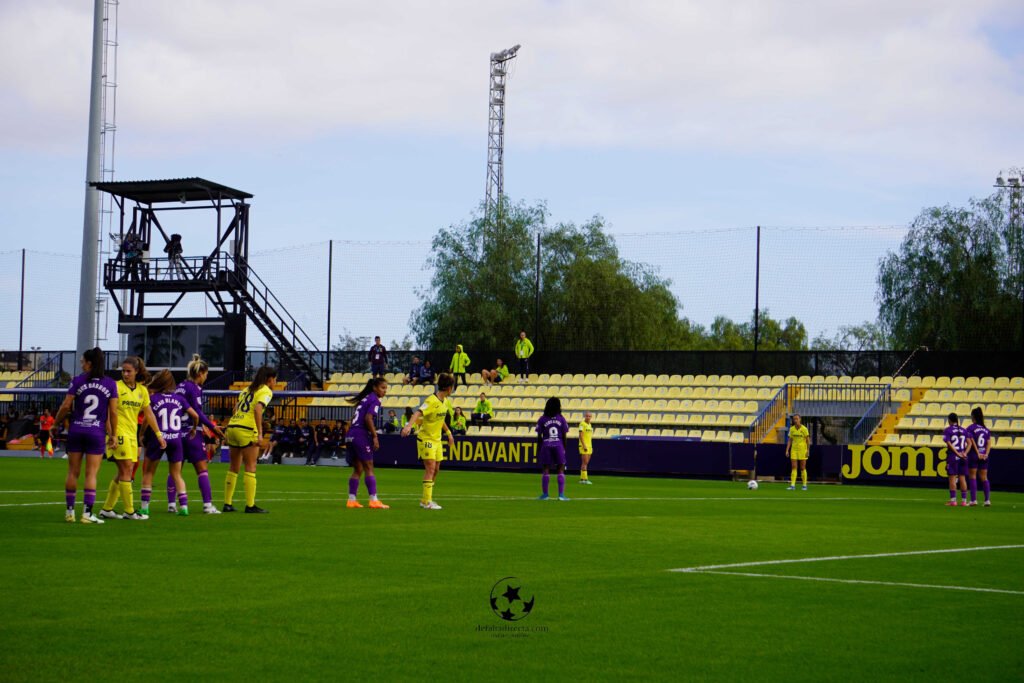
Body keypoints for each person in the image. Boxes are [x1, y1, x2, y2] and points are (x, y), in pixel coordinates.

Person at [52, 348, 120, 524]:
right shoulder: (110, 384)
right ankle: (87, 514)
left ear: (89, 363)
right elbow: (113, 412)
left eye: (82, 361)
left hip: (76, 430)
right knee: (91, 474)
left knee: (73, 472)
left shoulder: (77, 381)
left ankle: (69, 512)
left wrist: (55, 423)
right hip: (96, 432)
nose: (81, 364)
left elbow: (66, 406)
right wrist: (113, 434)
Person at [99, 356, 165, 521]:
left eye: (129, 371)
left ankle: (107, 509)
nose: (125, 374)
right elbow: (108, 413)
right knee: (127, 469)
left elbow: (149, 414)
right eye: (123, 371)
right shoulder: (116, 387)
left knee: (123, 471)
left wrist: (158, 434)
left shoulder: (142, 391)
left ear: (136, 372)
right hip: (118, 433)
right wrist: (111, 433)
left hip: (132, 435)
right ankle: (129, 511)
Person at [166, 354, 225, 514]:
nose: (206, 378)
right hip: (192, 433)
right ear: (200, 373)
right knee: (202, 469)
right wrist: (212, 427)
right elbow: (197, 412)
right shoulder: (195, 388)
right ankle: (207, 505)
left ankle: (171, 504)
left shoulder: (179, 387)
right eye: (206, 374)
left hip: (176, 432)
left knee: (175, 470)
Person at [223, 366, 277, 513]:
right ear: (269, 379)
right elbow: (258, 409)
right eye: (275, 379)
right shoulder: (265, 390)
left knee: (234, 467)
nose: (275, 382)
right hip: (246, 429)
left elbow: (235, 409)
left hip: (233, 426)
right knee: (251, 467)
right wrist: (260, 433)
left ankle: (227, 503)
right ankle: (250, 505)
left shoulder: (247, 389)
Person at [138, 370, 192, 516]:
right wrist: (194, 427)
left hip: (159, 438)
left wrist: (142, 433)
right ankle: (184, 507)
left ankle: (144, 507)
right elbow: (194, 414)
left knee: (149, 472)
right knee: (176, 474)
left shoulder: (153, 398)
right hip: (176, 438)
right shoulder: (179, 398)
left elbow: (148, 418)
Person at [401, 373, 456, 510]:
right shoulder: (431, 400)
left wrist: (448, 433)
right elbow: (417, 413)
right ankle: (427, 502)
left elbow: (440, 419)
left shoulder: (445, 402)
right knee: (430, 467)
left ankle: (426, 499)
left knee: (436, 469)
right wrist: (408, 426)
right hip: (426, 438)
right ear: (449, 388)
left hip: (437, 439)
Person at [344, 378, 390, 509]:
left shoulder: (364, 399)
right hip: (360, 435)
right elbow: (368, 418)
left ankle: (351, 500)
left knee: (358, 468)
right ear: (375, 388)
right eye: (382, 388)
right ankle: (373, 500)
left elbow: (354, 418)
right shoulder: (374, 399)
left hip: (351, 434)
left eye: (386, 388)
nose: (385, 391)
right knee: (369, 466)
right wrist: (375, 436)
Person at [536, 397, 570, 501]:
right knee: (560, 469)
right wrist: (564, 448)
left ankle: (545, 494)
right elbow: (564, 435)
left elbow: (539, 436)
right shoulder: (561, 418)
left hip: (546, 444)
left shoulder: (542, 419)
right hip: (558, 444)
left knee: (546, 469)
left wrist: (539, 449)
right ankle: (561, 495)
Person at [965, 407, 994, 507]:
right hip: (984, 455)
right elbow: (989, 443)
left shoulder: (970, 428)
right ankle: (987, 500)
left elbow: (971, 441)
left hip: (974, 455)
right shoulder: (986, 430)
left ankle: (973, 500)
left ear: (973, 416)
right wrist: (986, 454)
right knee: (984, 478)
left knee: (972, 476)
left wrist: (977, 453)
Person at [943, 412, 970, 507]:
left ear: (949, 420)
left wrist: (957, 453)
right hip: (963, 456)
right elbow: (969, 443)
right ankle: (964, 501)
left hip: (953, 457)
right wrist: (965, 453)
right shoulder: (963, 430)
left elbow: (949, 443)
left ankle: (953, 501)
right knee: (962, 478)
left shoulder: (947, 430)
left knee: (952, 478)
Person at [785, 413, 810, 491]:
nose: (795, 420)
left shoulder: (804, 429)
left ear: (800, 419)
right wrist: (787, 450)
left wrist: (808, 450)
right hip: (794, 450)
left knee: (802, 467)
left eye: (797, 419)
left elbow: (808, 440)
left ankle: (804, 485)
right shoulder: (792, 429)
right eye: (794, 419)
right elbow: (790, 440)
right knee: (794, 467)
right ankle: (792, 485)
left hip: (802, 450)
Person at [578, 411, 594, 484]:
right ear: (585, 416)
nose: (588, 417)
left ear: (591, 417)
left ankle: (582, 479)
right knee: (585, 462)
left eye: (589, 416)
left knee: (586, 462)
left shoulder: (590, 425)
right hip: (584, 445)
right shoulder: (582, 424)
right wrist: (584, 445)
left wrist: (591, 446)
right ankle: (585, 479)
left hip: (589, 445)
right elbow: (581, 435)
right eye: (587, 416)